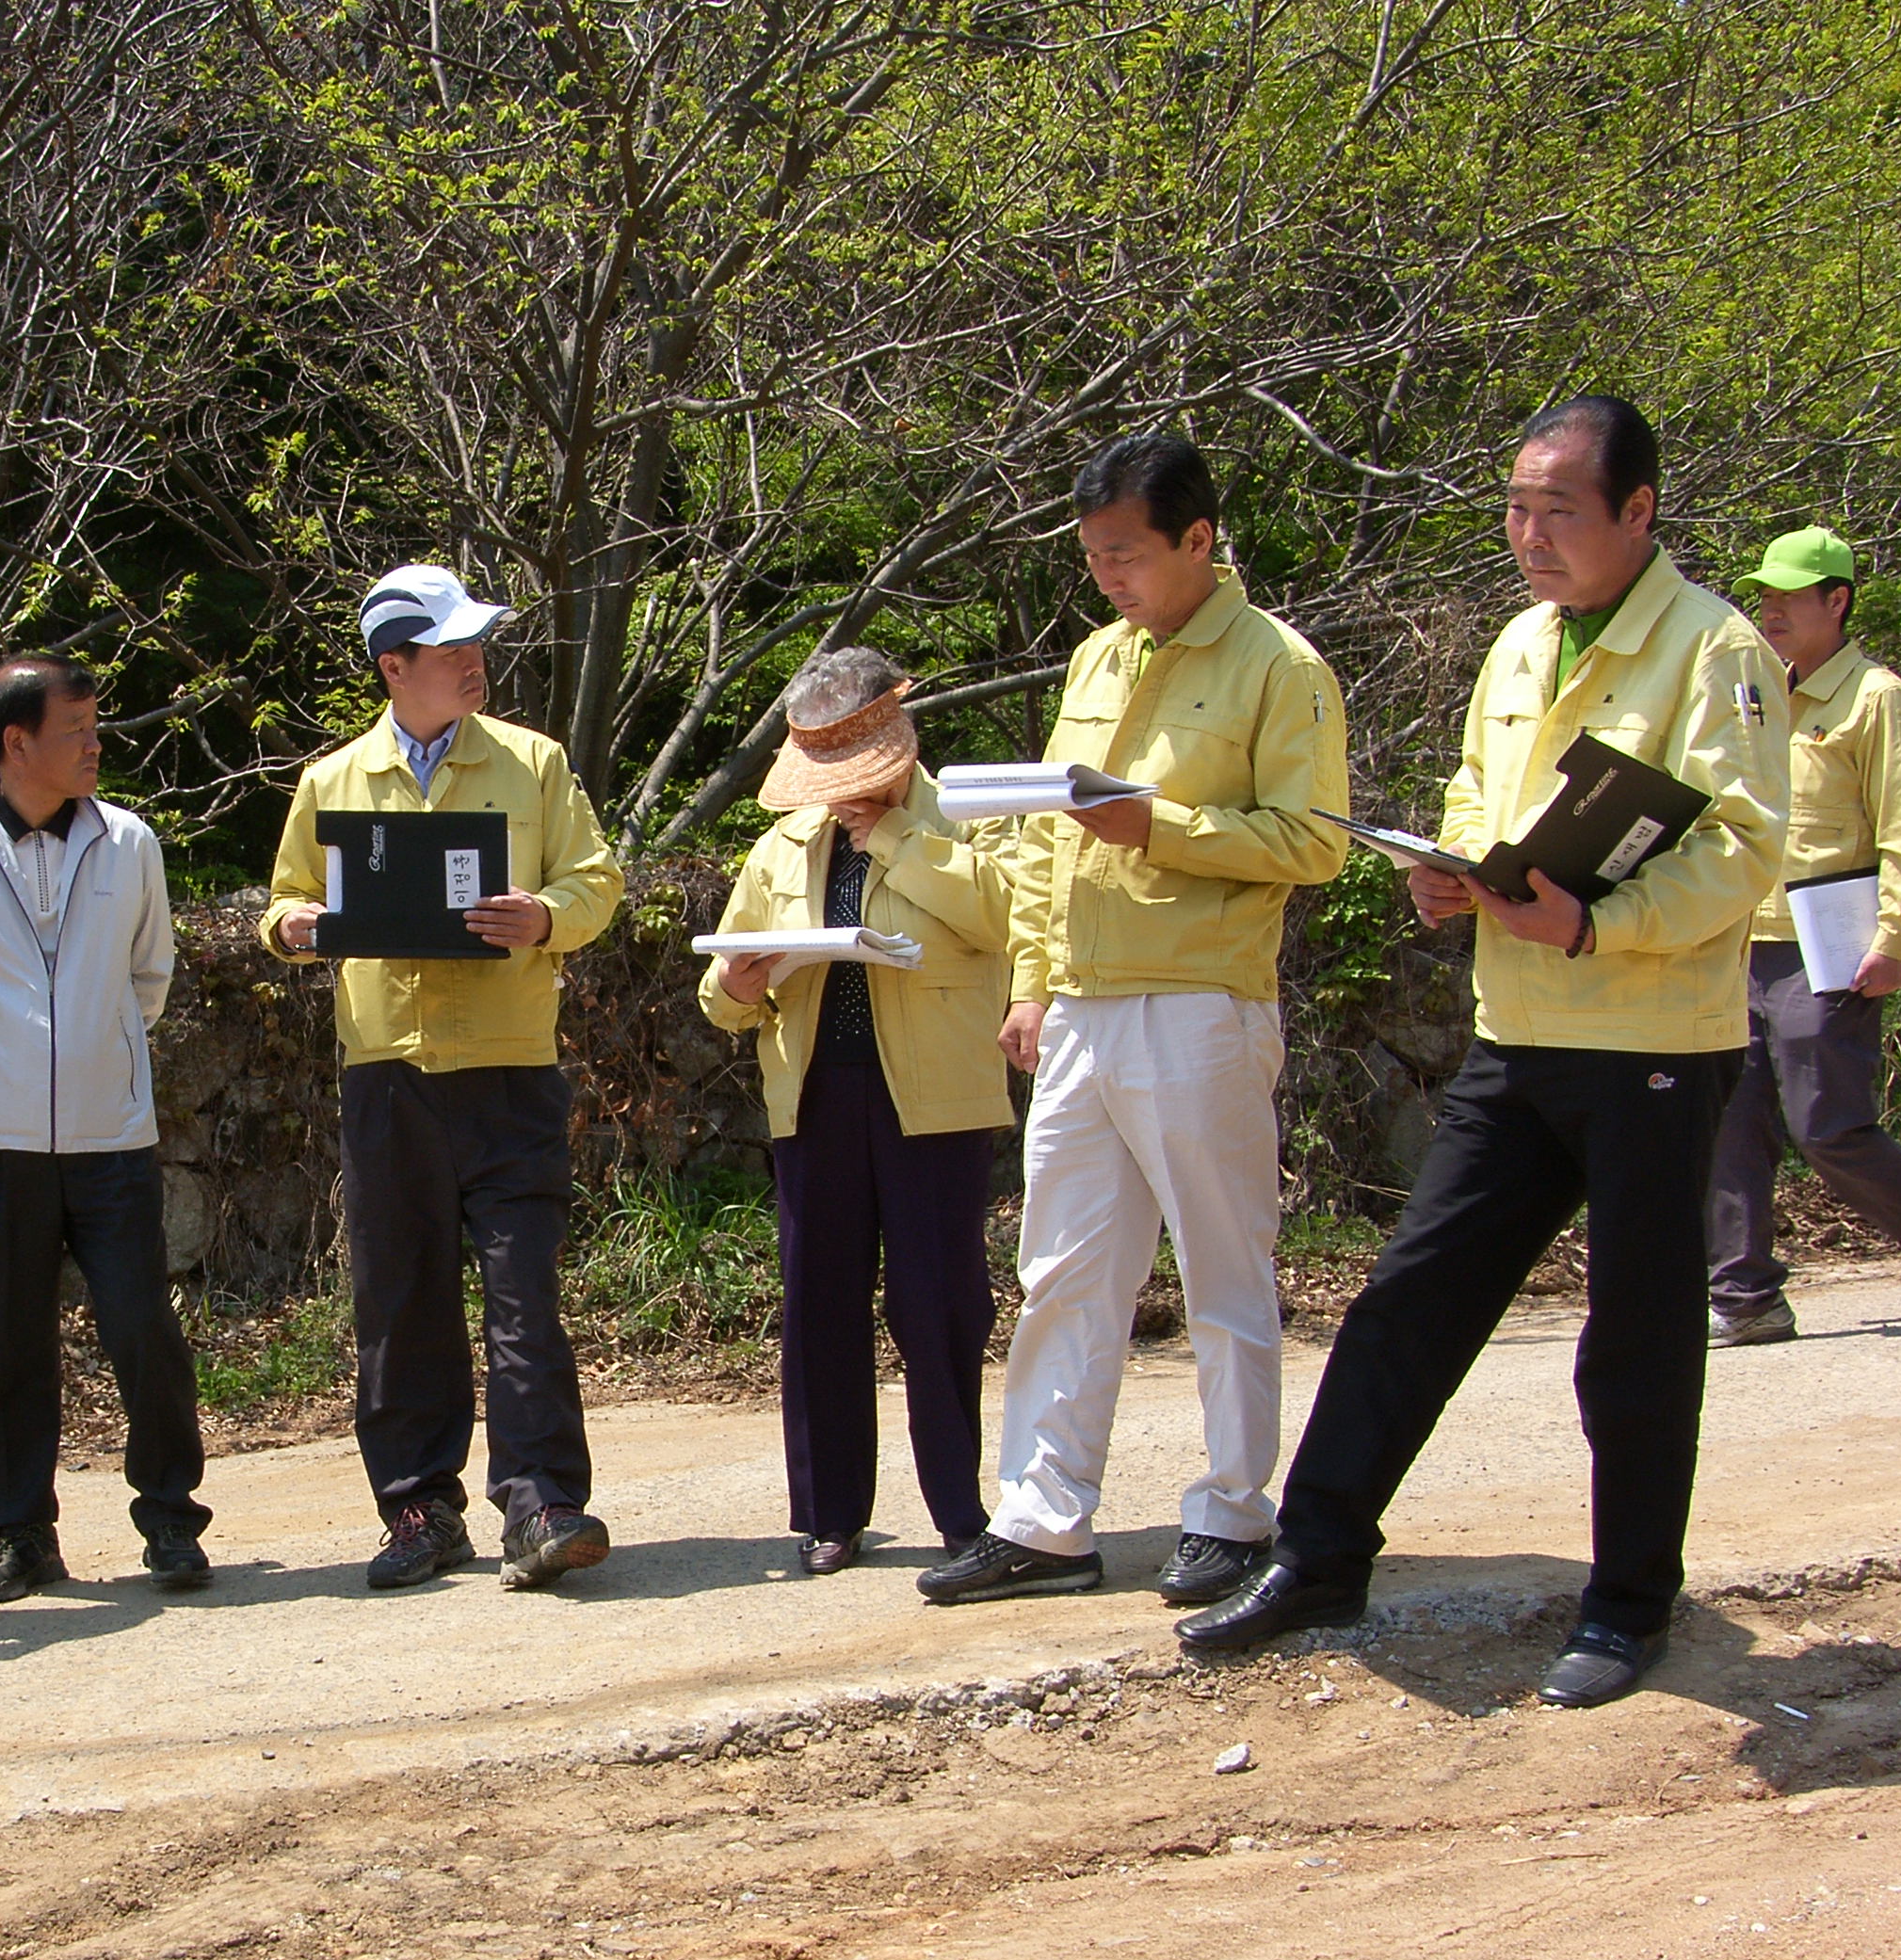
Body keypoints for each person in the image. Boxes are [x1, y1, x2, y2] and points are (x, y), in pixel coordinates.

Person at [1183, 395, 1789, 1709]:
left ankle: (1628, 1606)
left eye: (1558, 509)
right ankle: (1322, 1552)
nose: (1529, 534)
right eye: (1516, 507)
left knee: (1634, 1337)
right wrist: (1448, 873)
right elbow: (1476, 790)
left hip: (1653, 1042)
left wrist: (1601, 922)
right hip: (1518, 1034)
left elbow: (1744, 852)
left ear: (1638, 510)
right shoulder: (1518, 644)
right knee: (1412, 1295)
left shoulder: (1715, 651)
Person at [927, 435, 1349, 1610]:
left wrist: (1160, 828)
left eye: (1126, 555)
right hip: (1082, 1010)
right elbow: (1046, 839)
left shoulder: (1280, 666)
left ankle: (1231, 1510)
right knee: (1062, 1267)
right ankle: (1045, 1519)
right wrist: (1032, 980)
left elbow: (1314, 841)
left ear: (1197, 541)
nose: (1107, 578)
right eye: (1094, 558)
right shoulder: (1095, 662)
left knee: (1224, 1263)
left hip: (1200, 1003)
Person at [263, 565, 626, 1593]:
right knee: (399, 1298)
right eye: (451, 648)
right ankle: (420, 1508)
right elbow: (290, 896)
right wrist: (288, 928)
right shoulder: (331, 782)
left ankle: (544, 1502)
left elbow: (596, 880)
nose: (475, 661)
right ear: (394, 667)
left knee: (523, 1291)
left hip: (511, 1070)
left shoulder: (534, 763)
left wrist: (545, 916)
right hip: (387, 1077)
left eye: (479, 643)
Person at [0, 655, 214, 1602]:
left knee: (142, 1327)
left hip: (113, 1131)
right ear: (16, 741)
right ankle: (19, 1535)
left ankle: (171, 1521)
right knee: (9, 1339)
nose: (95, 746)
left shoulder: (130, 843)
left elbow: (150, 977)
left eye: (96, 727)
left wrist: (99, 1048)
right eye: (77, 730)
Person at [699, 648, 1013, 1573]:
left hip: (936, 1099)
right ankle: (831, 1514)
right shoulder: (783, 842)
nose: (838, 793)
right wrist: (737, 982)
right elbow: (722, 997)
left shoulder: (965, 817)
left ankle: (961, 1511)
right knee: (820, 1302)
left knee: (940, 1303)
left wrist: (896, 841)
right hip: (816, 1092)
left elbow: (1002, 918)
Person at [1705, 525, 1901, 1341]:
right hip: (1738, 939)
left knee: (1827, 1126)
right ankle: (1745, 1296)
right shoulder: (1756, 694)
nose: (1771, 609)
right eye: (1764, 595)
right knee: (1729, 1118)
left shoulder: (1878, 700)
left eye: (1790, 596)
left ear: (1837, 600)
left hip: (1828, 947)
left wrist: (1896, 938)